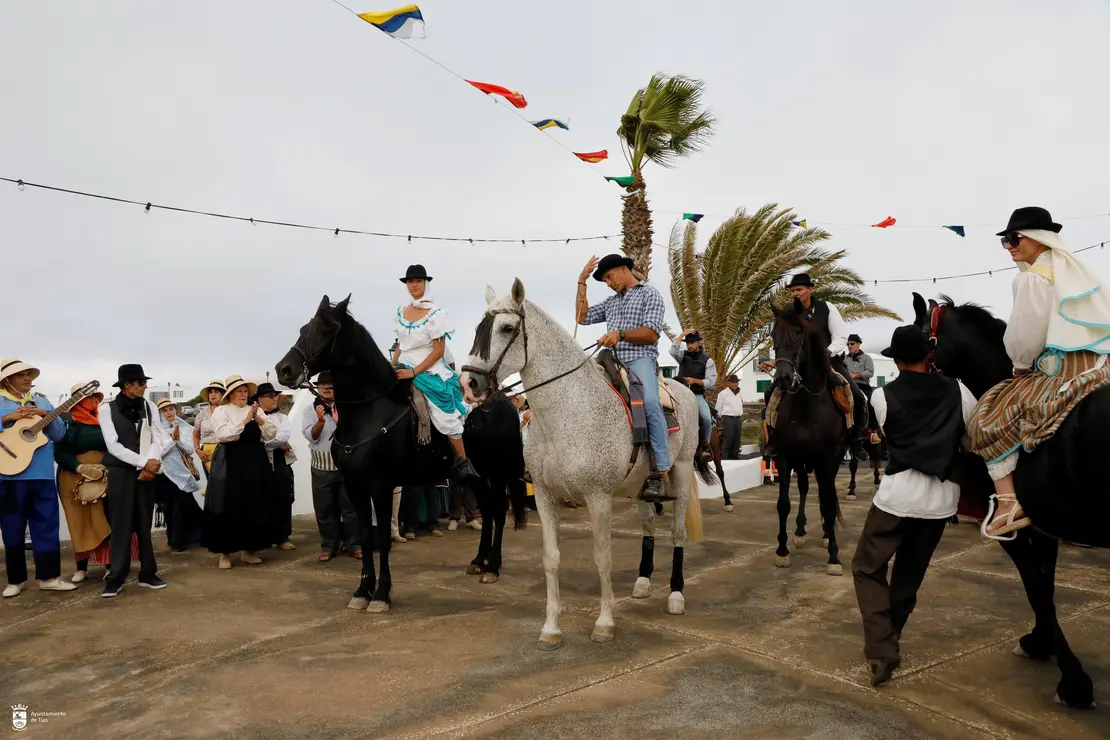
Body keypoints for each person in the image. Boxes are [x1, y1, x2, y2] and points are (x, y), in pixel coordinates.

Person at [970, 207, 1110, 538]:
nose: (1009, 246)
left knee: (986, 415)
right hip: (1103, 367)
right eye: (1005, 241)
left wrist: (1020, 367)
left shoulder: (1033, 278)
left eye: (1014, 238)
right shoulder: (1075, 272)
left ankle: (1008, 504)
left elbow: (1025, 338)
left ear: (1037, 238)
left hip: (1064, 370)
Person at [852, 325, 978, 686]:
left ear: (897, 358)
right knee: (909, 574)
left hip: (897, 495)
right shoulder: (959, 390)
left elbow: (893, 438)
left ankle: (882, 648)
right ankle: (890, 639)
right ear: (928, 354)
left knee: (866, 567)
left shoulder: (881, 396)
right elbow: (971, 440)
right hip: (941, 500)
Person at [576, 254, 671, 502]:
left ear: (623, 269)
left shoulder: (649, 294)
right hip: (611, 360)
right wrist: (581, 282)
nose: (607, 283)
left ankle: (660, 471)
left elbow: (651, 334)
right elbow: (581, 317)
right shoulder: (611, 302)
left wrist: (620, 334)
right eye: (604, 279)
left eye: (608, 277)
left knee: (650, 403)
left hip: (640, 360)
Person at [763, 273, 870, 461]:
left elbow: (840, 336)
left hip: (829, 360)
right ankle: (773, 439)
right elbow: (783, 341)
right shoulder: (789, 313)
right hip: (798, 363)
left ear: (810, 289)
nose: (796, 293)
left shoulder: (826, 308)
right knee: (772, 393)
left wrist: (827, 352)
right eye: (794, 290)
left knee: (858, 396)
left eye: (799, 289)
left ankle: (856, 440)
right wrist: (777, 361)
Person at [392, 264, 479, 482]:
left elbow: (438, 351)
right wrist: (391, 366)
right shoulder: (401, 312)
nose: (414, 285)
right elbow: (401, 345)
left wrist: (413, 372)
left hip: (428, 366)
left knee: (443, 414)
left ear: (425, 283)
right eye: (410, 281)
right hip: (403, 362)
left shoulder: (436, 314)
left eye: (418, 281)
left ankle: (463, 461)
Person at [0, 358, 77, 596]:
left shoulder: (41, 400)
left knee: (46, 525)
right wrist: (7, 419)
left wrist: (49, 415)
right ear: (7, 379)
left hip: (42, 475)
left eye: (29, 374)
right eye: (21, 375)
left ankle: (49, 576)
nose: (27, 379)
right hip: (8, 475)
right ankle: (15, 580)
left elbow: (59, 435)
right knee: (12, 528)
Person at [98, 364, 170, 597]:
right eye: (140, 383)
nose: (144, 386)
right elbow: (112, 445)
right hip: (121, 471)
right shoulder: (106, 408)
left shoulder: (149, 406)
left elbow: (159, 436)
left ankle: (148, 572)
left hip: (148, 470)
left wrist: (152, 462)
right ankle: (116, 575)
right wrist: (142, 462)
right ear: (127, 385)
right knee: (121, 524)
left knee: (144, 522)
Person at [55, 382, 139, 582]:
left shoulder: (105, 420)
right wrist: (79, 467)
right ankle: (81, 567)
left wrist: (103, 466)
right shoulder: (66, 423)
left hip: (104, 473)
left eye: (95, 397)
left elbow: (116, 446)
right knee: (78, 519)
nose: (95, 400)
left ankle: (112, 564)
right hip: (73, 475)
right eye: (90, 397)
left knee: (106, 515)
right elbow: (59, 452)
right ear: (79, 401)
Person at [201, 375, 277, 569]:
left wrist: (257, 417)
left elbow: (270, 433)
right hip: (232, 461)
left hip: (255, 460)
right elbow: (224, 435)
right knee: (230, 503)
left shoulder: (256, 408)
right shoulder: (222, 411)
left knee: (254, 502)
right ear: (231, 394)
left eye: (245, 391)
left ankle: (249, 550)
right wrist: (245, 420)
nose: (243, 395)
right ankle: (225, 553)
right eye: (239, 391)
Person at [300, 371, 362, 561]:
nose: (326, 389)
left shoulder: (348, 407)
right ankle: (329, 545)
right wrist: (320, 423)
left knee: (350, 508)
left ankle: (354, 543)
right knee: (324, 509)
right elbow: (311, 436)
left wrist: (341, 423)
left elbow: (357, 433)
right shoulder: (310, 410)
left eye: (330, 386)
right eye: (322, 386)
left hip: (346, 466)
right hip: (321, 466)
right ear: (317, 389)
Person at [154, 398, 203, 554]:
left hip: (183, 472)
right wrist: (172, 440)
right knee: (172, 507)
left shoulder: (183, 426)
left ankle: (184, 538)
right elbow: (157, 452)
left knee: (184, 506)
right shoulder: (156, 429)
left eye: (170, 409)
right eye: (165, 410)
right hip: (165, 473)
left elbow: (189, 450)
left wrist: (178, 440)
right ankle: (176, 540)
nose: (169, 412)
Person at [255, 382, 296, 551]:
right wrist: (273, 443)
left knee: (283, 498)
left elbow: (282, 437)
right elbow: (254, 443)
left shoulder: (282, 418)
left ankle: (282, 536)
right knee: (261, 500)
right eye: (270, 396)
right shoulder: (253, 418)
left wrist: (266, 443)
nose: (275, 398)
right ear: (259, 399)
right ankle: (263, 537)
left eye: (275, 395)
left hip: (279, 462)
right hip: (259, 463)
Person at [668, 329, 718, 456]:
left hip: (697, 395)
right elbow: (672, 350)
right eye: (688, 342)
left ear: (698, 343)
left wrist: (695, 381)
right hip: (679, 394)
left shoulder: (708, 360)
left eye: (692, 342)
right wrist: (682, 335)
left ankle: (705, 447)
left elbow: (711, 381)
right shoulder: (682, 356)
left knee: (706, 418)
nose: (689, 345)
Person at [192, 379, 225, 472]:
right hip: (207, 456)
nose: (213, 395)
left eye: (216, 392)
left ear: (222, 394)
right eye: (210, 392)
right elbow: (195, 435)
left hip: (226, 453)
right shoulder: (201, 415)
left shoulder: (228, 411)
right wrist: (198, 450)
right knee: (212, 485)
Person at [716, 374, 744, 459]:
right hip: (728, 418)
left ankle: (734, 457)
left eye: (736, 382)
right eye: (732, 382)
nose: (734, 384)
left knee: (737, 438)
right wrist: (721, 420)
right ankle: (725, 457)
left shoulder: (740, 393)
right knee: (728, 438)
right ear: (729, 383)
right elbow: (718, 408)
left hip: (738, 418)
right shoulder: (723, 394)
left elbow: (741, 404)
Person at [844, 334, 875, 398]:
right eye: (848, 344)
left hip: (863, 386)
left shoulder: (866, 358)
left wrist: (857, 374)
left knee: (870, 403)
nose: (849, 346)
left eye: (852, 344)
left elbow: (870, 372)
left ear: (858, 344)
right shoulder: (844, 359)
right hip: (848, 387)